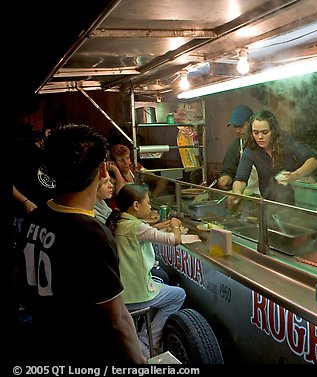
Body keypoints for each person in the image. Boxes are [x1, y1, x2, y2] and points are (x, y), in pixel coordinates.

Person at [12, 123, 147, 364]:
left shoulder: (34, 218)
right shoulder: (93, 235)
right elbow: (118, 319)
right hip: (83, 351)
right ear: (103, 170)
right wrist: (140, 363)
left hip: (40, 343)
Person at [106, 184, 190, 358]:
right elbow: (174, 240)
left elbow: (144, 231)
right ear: (136, 205)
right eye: (148, 203)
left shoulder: (119, 221)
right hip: (134, 294)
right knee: (179, 295)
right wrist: (175, 225)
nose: (150, 207)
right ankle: (146, 342)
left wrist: (158, 226)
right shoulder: (136, 227)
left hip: (120, 290)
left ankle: (143, 335)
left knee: (159, 282)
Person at [231, 110, 317, 204]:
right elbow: (240, 179)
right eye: (255, 133)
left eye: (265, 132)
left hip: (293, 201)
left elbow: (313, 161)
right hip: (267, 203)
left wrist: (294, 175)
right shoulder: (251, 150)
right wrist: (237, 193)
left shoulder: (286, 140)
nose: (260, 137)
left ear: (273, 130)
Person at [218, 105, 260, 196]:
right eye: (235, 127)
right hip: (246, 194)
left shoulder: (263, 143)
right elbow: (228, 170)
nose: (237, 130)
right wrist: (225, 178)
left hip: (267, 196)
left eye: (241, 126)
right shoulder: (236, 146)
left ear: (252, 123)